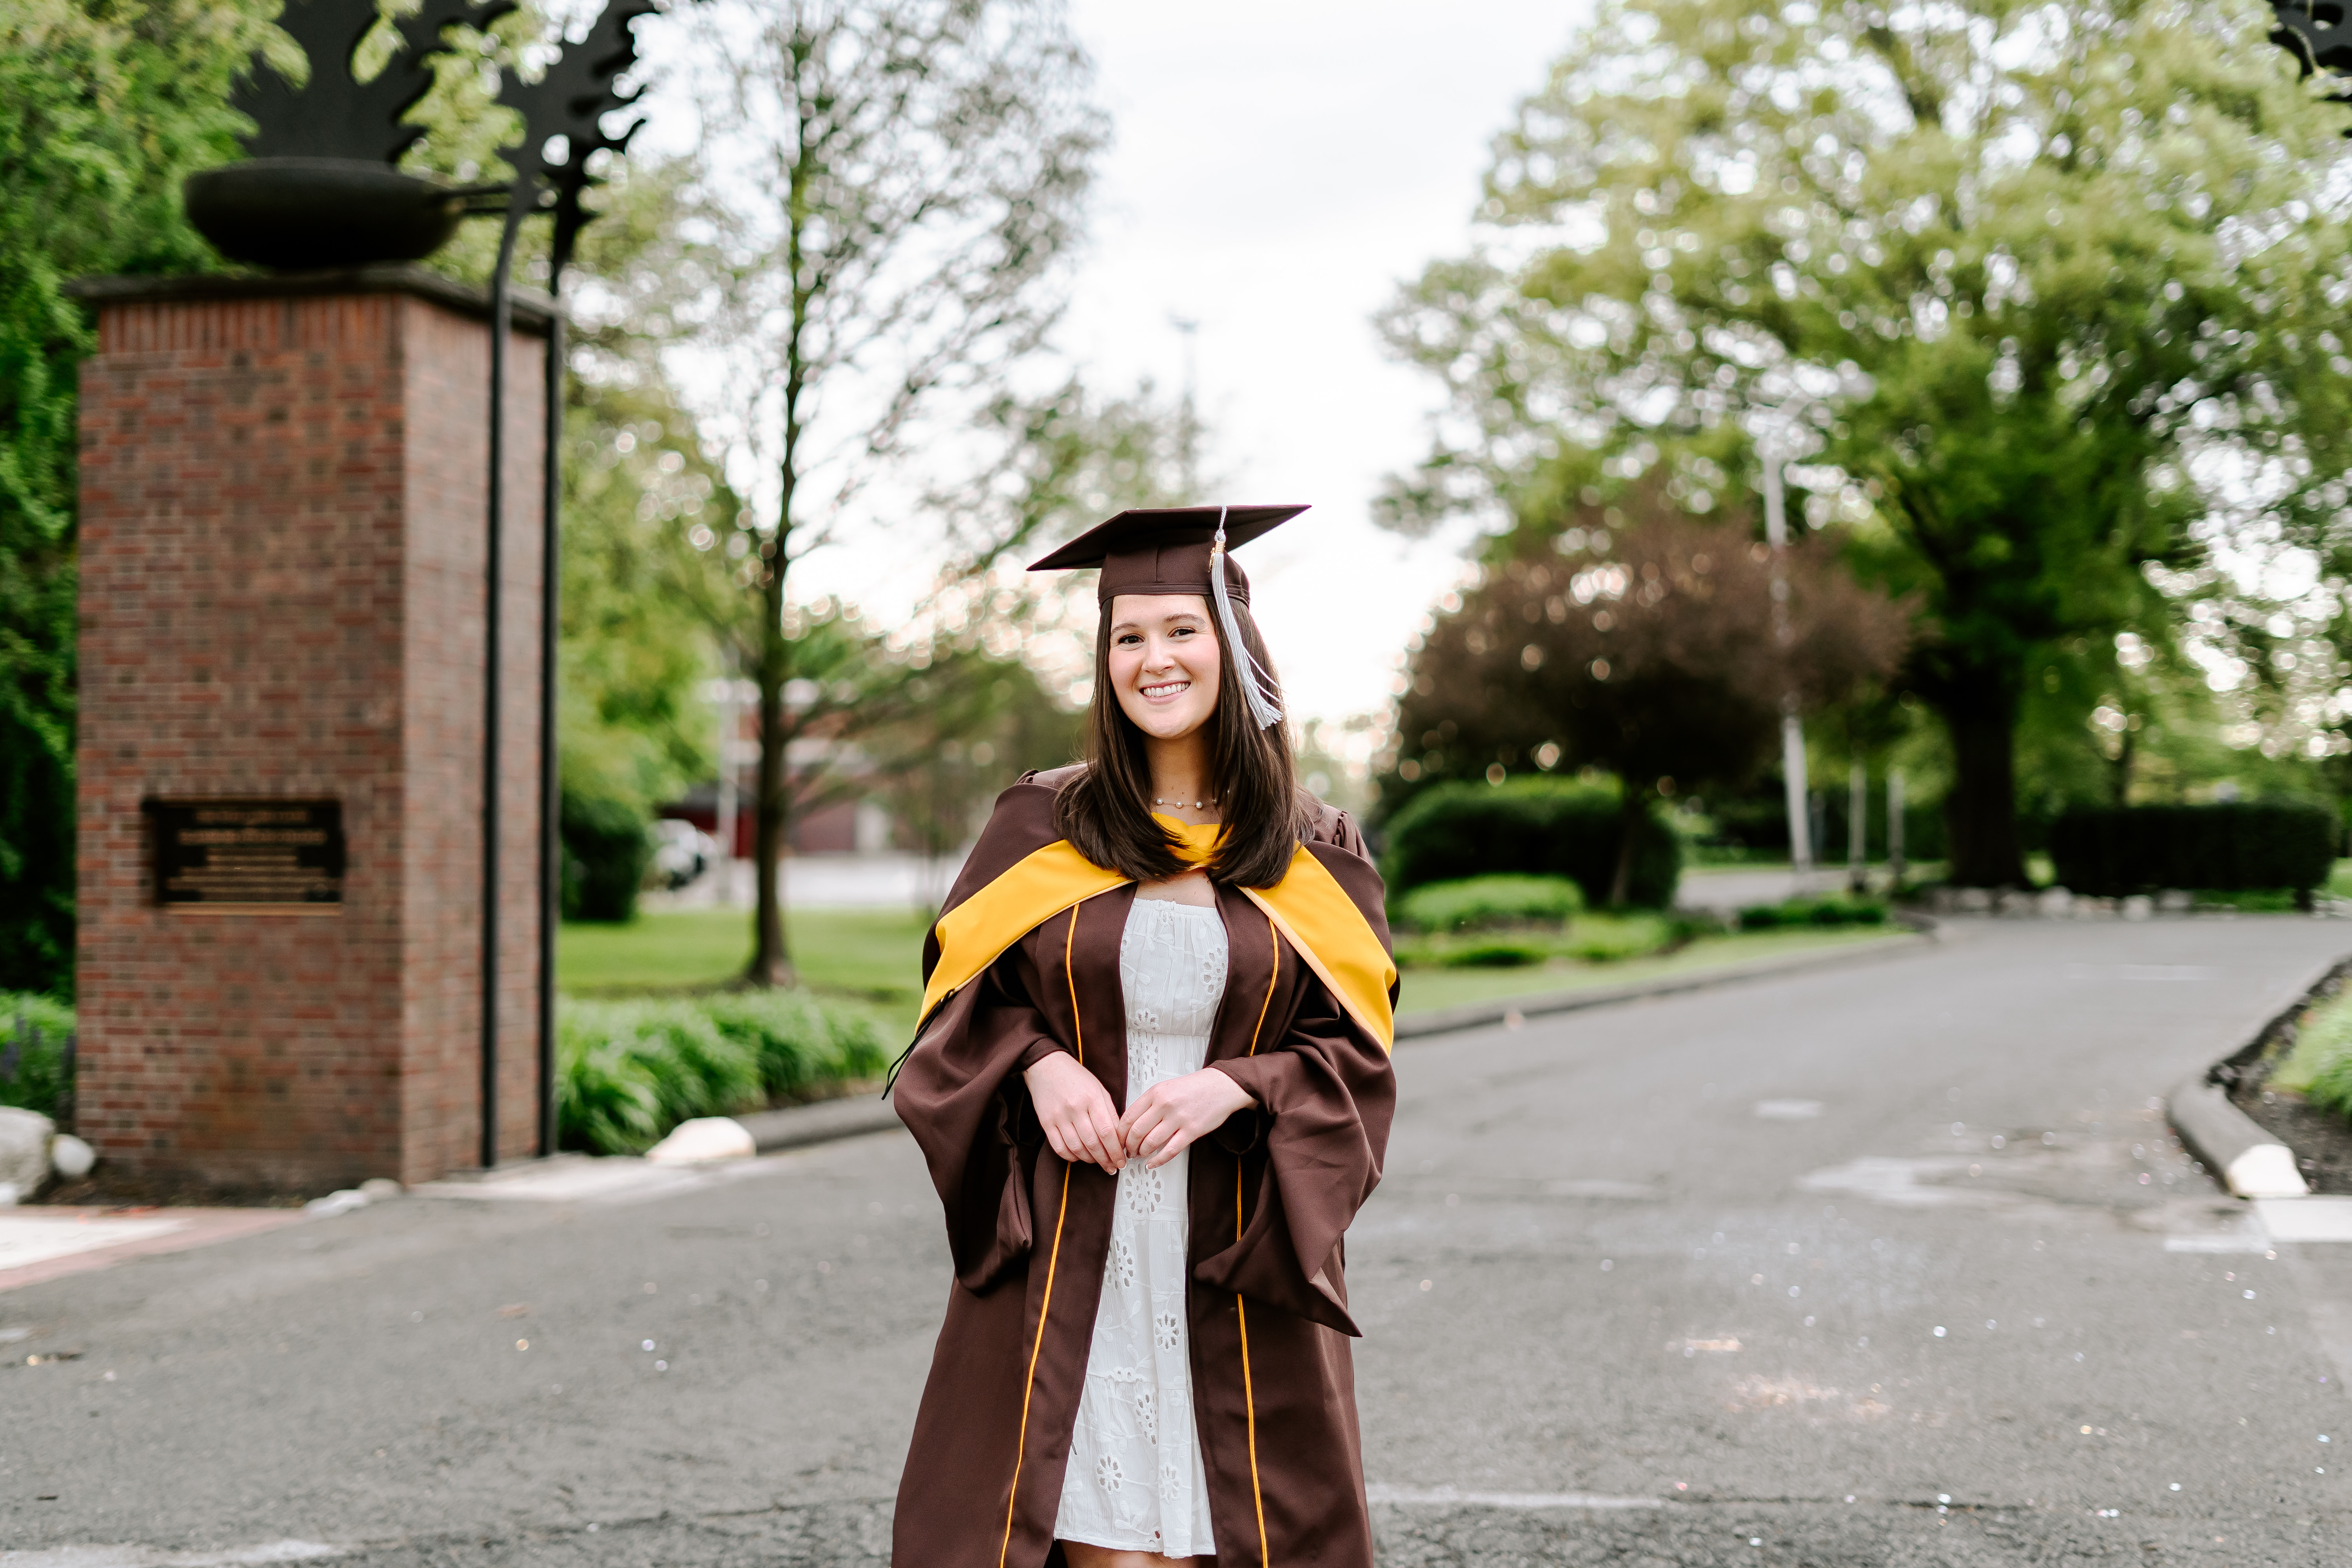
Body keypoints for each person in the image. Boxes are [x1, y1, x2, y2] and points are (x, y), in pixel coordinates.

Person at [889, 505, 1399, 1568]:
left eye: (1181, 630)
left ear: (1233, 646)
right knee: (1074, 1526)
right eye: (1129, 637)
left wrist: (1242, 1087)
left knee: (1235, 1523)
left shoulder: (1313, 852)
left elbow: (1353, 1060)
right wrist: (1038, 1067)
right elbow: (956, 1015)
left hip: (1228, 1239)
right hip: (1074, 1242)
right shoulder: (1041, 827)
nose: (1154, 659)